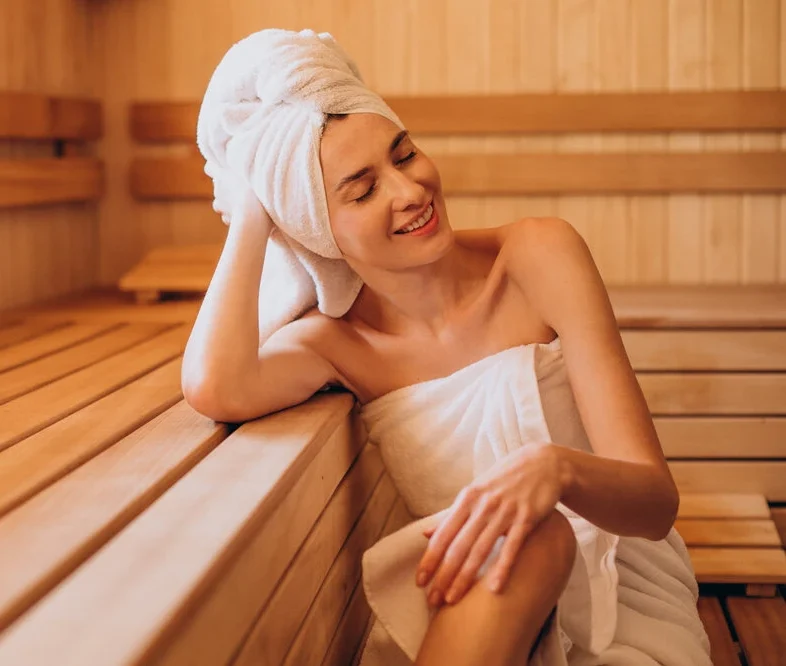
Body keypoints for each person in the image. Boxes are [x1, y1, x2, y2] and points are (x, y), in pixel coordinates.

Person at [184, 29, 712, 666]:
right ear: (317, 231)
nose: (409, 192)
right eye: (363, 189)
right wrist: (251, 215)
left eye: (404, 155)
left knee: (533, 531)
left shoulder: (537, 256)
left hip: (626, 598)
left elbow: (655, 504)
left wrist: (556, 468)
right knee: (522, 539)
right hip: (489, 608)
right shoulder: (340, 343)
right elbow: (215, 385)